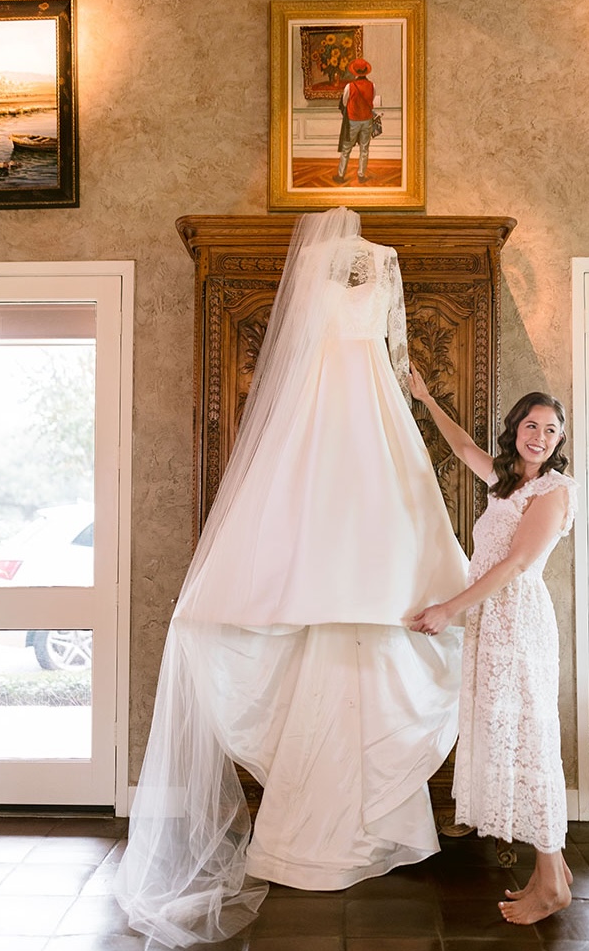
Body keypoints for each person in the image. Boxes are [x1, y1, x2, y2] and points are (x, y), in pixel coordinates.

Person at [115, 208, 468, 947]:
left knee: (376, 573)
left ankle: (374, 822)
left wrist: (417, 396)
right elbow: (298, 352)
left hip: (376, 408)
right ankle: (329, 829)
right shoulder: (322, 269)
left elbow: (398, 351)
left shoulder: (384, 261)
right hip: (328, 410)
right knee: (321, 558)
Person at [408, 366, 577, 926]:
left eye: (551, 430)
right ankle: (550, 870)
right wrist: (426, 397)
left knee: (528, 742)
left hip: (518, 625)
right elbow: (460, 446)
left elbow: (518, 563)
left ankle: (552, 881)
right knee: (514, 739)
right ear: (517, 431)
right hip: (493, 626)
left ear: (558, 442)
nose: (540, 436)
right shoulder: (509, 484)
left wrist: (449, 608)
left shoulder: (554, 491)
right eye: (532, 425)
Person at [334, 58, 375, 184]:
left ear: (355, 72)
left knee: (346, 149)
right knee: (364, 149)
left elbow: (345, 103)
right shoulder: (372, 85)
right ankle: (361, 175)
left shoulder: (349, 86)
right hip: (367, 120)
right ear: (366, 72)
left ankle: (341, 175)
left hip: (353, 121)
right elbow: (371, 100)